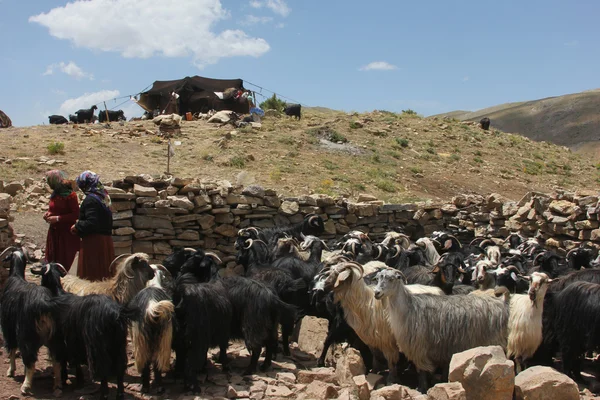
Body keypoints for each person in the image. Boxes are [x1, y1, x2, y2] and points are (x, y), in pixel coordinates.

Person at [71, 171, 115, 281]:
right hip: (105, 242)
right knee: (104, 276)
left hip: (94, 244)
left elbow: (92, 222)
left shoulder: (91, 200)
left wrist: (77, 226)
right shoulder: (103, 197)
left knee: (92, 277)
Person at [44, 170, 80, 271]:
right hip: (55, 232)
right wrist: (48, 214)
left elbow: (75, 214)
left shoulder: (70, 196)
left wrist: (58, 218)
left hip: (66, 234)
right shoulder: (55, 193)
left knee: (65, 259)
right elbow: (53, 208)